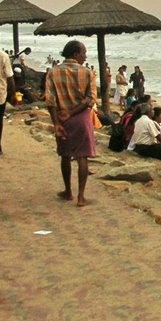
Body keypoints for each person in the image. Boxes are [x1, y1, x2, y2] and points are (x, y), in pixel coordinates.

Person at [45, 40, 97, 207]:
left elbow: (50, 100)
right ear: (76, 54)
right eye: (83, 53)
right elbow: (91, 99)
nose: (85, 56)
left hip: (61, 117)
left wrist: (56, 122)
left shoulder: (53, 72)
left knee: (65, 155)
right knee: (82, 156)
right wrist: (73, 111)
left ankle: (68, 191)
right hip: (81, 117)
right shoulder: (87, 72)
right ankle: (81, 197)